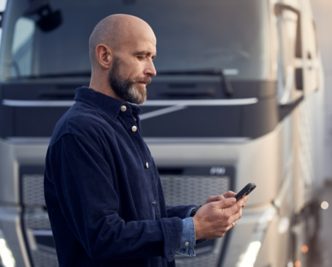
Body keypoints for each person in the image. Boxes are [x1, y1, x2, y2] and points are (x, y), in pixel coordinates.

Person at [44, 14, 247, 267]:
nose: (152, 70)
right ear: (105, 56)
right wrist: (192, 228)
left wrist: (196, 217)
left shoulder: (120, 124)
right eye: (141, 57)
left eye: (152, 57)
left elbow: (142, 218)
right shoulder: (78, 133)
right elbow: (103, 236)